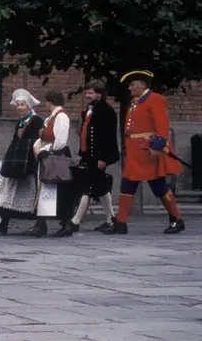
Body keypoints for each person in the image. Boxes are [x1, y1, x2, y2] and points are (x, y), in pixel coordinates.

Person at [105, 70, 186, 235]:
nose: (130, 88)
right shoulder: (135, 102)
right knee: (128, 184)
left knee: (158, 186)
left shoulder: (155, 99)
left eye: (133, 85)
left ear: (143, 85)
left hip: (148, 151)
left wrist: (157, 147)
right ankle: (121, 223)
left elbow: (162, 125)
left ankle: (177, 219)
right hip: (136, 152)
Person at [62, 80, 119, 236]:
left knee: (88, 187)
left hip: (98, 156)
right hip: (89, 156)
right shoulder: (90, 109)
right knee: (101, 188)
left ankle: (74, 222)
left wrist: (104, 158)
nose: (87, 95)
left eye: (90, 93)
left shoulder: (107, 111)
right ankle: (111, 220)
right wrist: (84, 154)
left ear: (100, 94)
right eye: (86, 93)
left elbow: (108, 138)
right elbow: (86, 135)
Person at [0, 89, 44, 235]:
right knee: (8, 192)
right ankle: (3, 222)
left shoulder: (36, 121)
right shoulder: (20, 122)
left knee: (31, 193)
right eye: (18, 105)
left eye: (22, 105)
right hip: (17, 161)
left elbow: (37, 141)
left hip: (29, 162)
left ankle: (40, 223)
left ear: (29, 106)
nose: (19, 107)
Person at [34, 90, 75, 238]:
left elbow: (60, 141)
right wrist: (37, 147)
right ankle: (41, 223)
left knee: (60, 190)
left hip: (57, 157)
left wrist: (45, 149)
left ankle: (66, 224)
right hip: (47, 156)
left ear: (50, 101)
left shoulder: (61, 117)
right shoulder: (50, 119)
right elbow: (43, 137)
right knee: (44, 188)